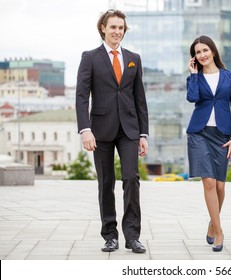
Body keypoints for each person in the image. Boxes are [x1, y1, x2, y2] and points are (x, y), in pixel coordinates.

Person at [75, 9, 149, 254]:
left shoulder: (133, 58)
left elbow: (140, 99)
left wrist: (143, 134)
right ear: (103, 29)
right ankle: (110, 235)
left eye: (121, 28)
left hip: (129, 129)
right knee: (106, 182)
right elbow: (82, 96)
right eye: (113, 27)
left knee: (131, 178)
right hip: (100, 130)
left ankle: (132, 236)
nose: (118, 31)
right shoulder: (90, 57)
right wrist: (85, 129)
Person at [186, 35, 231, 252]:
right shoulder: (195, 77)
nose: (202, 55)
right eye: (198, 52)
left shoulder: (230, 76)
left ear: (213, 51)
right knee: (208, 182)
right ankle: (219, 231)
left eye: (205, 50)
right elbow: (192, 98)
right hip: (198, 133)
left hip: (222, 135)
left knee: (219, 186)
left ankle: (212, 222)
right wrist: (193, 75)